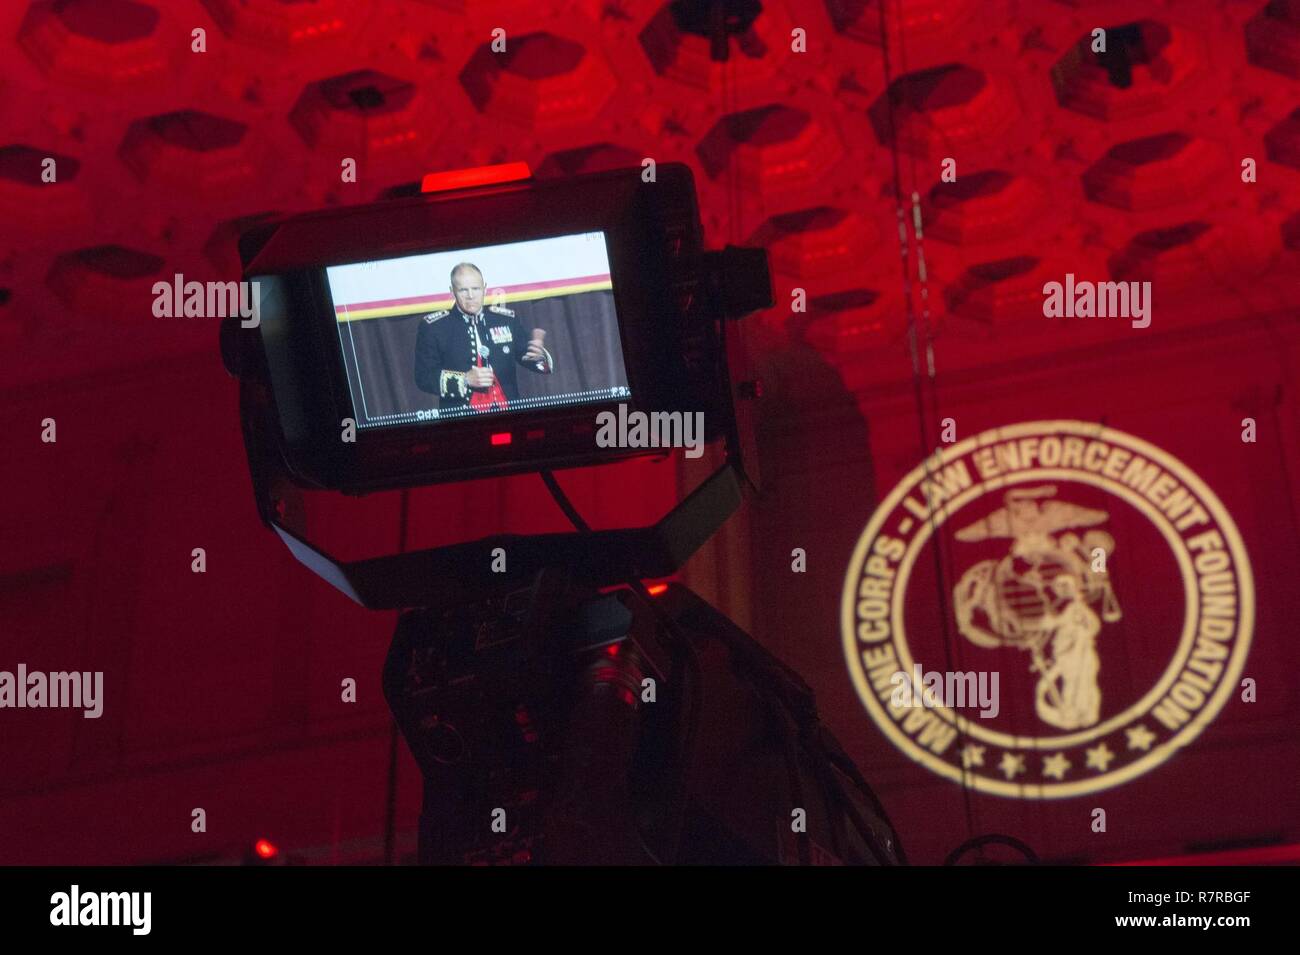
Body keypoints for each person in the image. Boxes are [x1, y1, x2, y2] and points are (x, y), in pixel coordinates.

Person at [414, 262, 554, 412]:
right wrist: (465, 380)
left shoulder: (505, 319)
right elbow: (424, 377)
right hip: (462, 418)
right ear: (452, 291)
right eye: (463, 290)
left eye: (476, 288)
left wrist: (538, 357)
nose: (471, 296)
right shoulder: (434, 327)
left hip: (509, 412)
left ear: (485, 289)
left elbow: (530, 358)